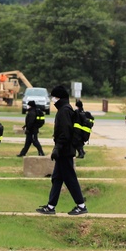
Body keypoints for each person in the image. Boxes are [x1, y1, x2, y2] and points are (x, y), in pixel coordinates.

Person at [37, 85, 88, 216]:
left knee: (70, 178)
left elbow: (65, 133)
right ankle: (50, 206)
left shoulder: (64, 111)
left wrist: (57, 148)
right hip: (64, 150)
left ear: (59, 98)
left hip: (65, 150)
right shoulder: (65, 109)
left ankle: (81, 205)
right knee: (57, 178)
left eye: (54, 97)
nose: (53, 100)